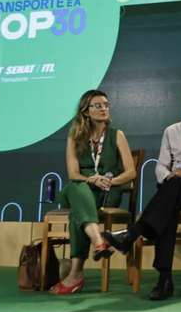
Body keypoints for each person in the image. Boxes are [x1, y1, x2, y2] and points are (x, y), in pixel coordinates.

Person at [104, 77, 181, 300]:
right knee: (170, 200)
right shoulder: (171, 130)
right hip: (173, 189)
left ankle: (132, 234)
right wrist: (168, 177)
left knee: (176, 185)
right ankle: (164, 279)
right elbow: (161, 166)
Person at [50, 89, 136, 295]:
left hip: (108, 191)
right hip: (82, 186)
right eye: (97, 105)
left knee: (77, 214)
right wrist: (91, 179)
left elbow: (131, 172)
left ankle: (75, 275)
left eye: (106, 105)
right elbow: (73, 173)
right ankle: (99, 240)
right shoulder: (75, 135)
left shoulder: (117, 135)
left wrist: (109, 180)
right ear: (86, 111)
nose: (103, 109)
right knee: (76, 188)